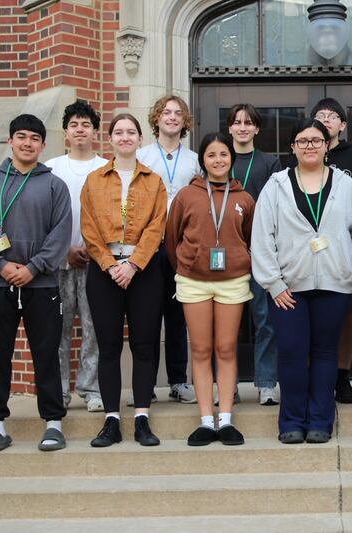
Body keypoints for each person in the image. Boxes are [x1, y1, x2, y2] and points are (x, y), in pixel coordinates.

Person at [252, 118, 352, 444]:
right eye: (302, 141)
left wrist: (341, 261)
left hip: (334, 285)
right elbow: (262, 237)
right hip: (288, 287)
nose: (310, 146)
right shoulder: (276, 185)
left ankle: (319, 421)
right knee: (290, 352)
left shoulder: (345, 185)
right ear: (292, 147)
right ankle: (291, 421)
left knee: (326, 353)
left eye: (316, 140)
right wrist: (273, 283)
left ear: (327, 145)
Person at [0, 114, 72, 453]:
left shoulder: (55, 185)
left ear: (43, 146)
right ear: (10, 141)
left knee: (46, 353)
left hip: (41, 285)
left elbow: (60, 234)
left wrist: (33, 267)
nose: (27, 143)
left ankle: (54, 423)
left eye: (34, 138)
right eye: (21, 137)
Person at [81, 113, 166, 447]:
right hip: (104, 272)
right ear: (111, 139)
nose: (125, 137)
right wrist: (109, 263)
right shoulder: (94, 180)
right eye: (119, 132)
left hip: (143, 271)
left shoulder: (154, 181)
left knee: (144, 345)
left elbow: (156, 227)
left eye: (131, 132)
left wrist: (132, 265)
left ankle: (142, 418)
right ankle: (111, 420)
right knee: (109, 346)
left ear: (140, 139)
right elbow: (88, 229)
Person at [166, 132, 255, 446]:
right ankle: (206, 421)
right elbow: (171, 237)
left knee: (226, 349)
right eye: (212, 155)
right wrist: (186, 264)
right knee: (201, 351)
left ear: (232, 159)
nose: (218, 161)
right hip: (194, 282)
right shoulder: (186, 196)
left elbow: (249, 235)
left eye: (224, 155)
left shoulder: (243, 198)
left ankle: (226, 419)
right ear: (202, 161)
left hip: (232, 281)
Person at [136, 94, 200, 404]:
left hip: (183, 245)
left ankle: (178, 381)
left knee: (178, 316)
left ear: (184, 121)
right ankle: (144, 383)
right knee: (146, 316)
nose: (172, 117)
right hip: (148, 245)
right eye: (166, 112)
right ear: (157, 119)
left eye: (177, 113)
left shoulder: (194, 159)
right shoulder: (142, 156)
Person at [45, 101, 108, 413]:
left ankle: (91, 387)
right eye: (74, 125)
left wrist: (95, 250)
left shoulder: (105, 167)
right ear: (66, 132)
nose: (80, 130)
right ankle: (59, 392)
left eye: (86, 124)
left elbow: (116, 216)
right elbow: (45, 218)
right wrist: (64, 251)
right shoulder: (52, 168)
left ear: (95, 131)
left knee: (94, 328)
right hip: (59, 262)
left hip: (97, 263)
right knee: (58, 330)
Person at [310, 98, 352, 405]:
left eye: (332, 116)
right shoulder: (302, 155)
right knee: (311, 314)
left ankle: (342, 375)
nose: (326, 120)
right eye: (319, 116)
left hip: (346, 249)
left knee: (346, 313)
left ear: (342, 125)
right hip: (307, 253)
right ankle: (317, 375)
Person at [227, 104, 282, 406]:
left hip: (261, 253)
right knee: (229, 324)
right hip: (229, 255)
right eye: (237, 123)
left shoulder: (269, 163)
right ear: (230, 128)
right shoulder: (221, 159)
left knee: (265, 320)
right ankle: (228, 384)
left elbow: (275, 206)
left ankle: (266, 383)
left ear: (257, 129)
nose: (243, 127)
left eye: (249, 123)